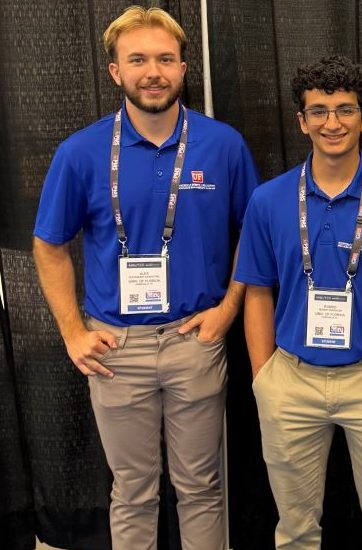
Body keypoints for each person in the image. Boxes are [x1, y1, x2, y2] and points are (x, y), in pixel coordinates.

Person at [32, 6, 258, 549]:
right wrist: (73, 332)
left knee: (202, 487)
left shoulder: (223, 145)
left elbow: (255, 236)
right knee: (132, 491)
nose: (152, 72)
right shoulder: (80, 152)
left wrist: (228, 310)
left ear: (183, 68)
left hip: (194, 339)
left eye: (164, 59)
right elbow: (49, 245)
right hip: (115, 347)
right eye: (137, 60)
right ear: (115, 71)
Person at [235, 55, 362, 549]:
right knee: (295, 532)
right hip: (290, 379)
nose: (331, 123)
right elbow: (257, 290)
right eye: (318, 111)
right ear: (302, 121)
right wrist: (264, 378)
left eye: (344, 110)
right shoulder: (268, 201)